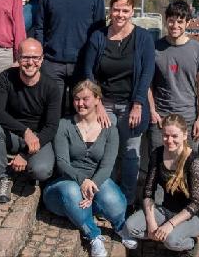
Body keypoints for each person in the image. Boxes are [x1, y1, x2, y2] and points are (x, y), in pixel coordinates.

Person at [43, 80, 137, 257]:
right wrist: (83, 181)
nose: (80, 103)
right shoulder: (64, 125)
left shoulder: (110, 130)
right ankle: (93, 235)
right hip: (65, 183)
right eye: (76, 99)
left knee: (115, 202)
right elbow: (62, 163)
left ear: (97, 100)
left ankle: (120, 227)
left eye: (85, 99)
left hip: (95, 182)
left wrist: (92, 185)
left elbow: (107, 166)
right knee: (72, 192)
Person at [84, 0, 155, 213]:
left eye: (125, 10)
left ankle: (127, 201)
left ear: (132, 12)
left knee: (131, 154)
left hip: (131, 105)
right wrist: (97, 104)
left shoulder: (142, 38)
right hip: (104, 104)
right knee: (106, 154)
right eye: (116, 10)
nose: (120, 14)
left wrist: (138, 104)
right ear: (110, 11)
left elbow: (147, 73)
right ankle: (107, 200)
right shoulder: (98, 37)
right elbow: (88, 73)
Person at [0, 38, 60, 203]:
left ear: (42, 59)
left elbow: (52, 127)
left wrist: (25, 154)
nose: (30, 62)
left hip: (37, 137)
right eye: (25, 57)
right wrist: (25, 132)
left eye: (35, 58)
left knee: (42, 171)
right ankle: (4, 177)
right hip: (12, 134)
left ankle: (29, 168)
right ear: (18, 58)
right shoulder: (6, 77)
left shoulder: (51, 86)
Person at [35, 0, 105, 116]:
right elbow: (40, 27)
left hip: (82, 64)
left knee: (81, 111)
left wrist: (93, 61)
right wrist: (41, 57)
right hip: (52, 63)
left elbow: (100, 29)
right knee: (52, 111)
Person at [125, 114, 199, 257]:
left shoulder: (194, 162)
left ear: (184, 135)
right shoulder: (158, 154)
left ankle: (191, 243)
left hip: (192, 216)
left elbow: (195, 203)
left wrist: (170, 225)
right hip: (166, 210)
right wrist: (151, 222)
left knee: (171, 241)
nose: (169, 140)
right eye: (166, 136)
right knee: (131, 227)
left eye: (174, 136)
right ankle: (166, 235)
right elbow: (148, 191)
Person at [147, 0, 199, 153]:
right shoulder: (154, 48)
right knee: (157, 163)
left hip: (188, 119)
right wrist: (152, 111)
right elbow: (147, 83)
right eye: (171, 21)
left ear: (188, 23)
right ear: (166, 21)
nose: (175, 25)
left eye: (180, 22)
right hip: (160, 119)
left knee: (189, 163)